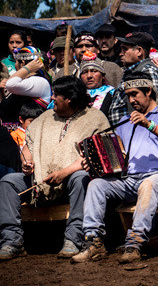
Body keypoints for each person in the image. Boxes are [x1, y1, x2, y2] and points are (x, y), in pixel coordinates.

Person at [73, 72, 158, 264]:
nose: (131, 100)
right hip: (129, 180)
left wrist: (149, 124)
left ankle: (135, 243)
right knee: (96, 184)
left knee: (148, 184)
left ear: (149, 91)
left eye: (135, 94)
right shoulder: (126, 120)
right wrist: (93, 159)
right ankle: (94, 243)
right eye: (128, 95)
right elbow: (118, 155)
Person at [0, 76, 108, 261]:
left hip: (71, 182)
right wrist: (27, 160)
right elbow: (29, 144)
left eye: (56, 94)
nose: (52, 98)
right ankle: (12, 241)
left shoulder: (95, 119)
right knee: (8, 182)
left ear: (70, 99)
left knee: (82, 177)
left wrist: (63, 173)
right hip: (40, 181)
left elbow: (93, 157)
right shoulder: (45, 118)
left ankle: (74, 239)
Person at [108, 32, 158, 125]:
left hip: (137, 132)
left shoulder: (147, 70)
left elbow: (154, 107)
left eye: (124, 49)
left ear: (139, 51)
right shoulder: (130, 72)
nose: (120, 53)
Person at [55, 31, 122, 86]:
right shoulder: (63, 72)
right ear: (74, 51)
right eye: (79, 46)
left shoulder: (112, 68)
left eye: (88, 46)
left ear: (98, 49)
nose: (84, 49)